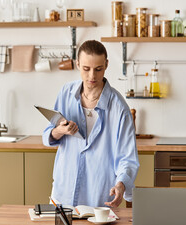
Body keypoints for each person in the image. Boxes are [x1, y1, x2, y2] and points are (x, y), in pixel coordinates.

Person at [42, 40, 139, 207]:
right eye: (86, 69)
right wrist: (59, 131)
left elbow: (127, 158)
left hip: (99, 196)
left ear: (106, 65)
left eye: (98, 69)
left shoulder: (119, 108)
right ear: (78, 64)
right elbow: (49, 134)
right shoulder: (66, 93)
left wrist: (121, 184)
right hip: (63, 190)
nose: (92, 76)